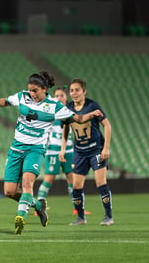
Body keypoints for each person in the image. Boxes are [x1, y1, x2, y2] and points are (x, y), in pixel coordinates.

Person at [0, 71, 103, 235]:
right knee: (9, 192)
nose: (32, 94)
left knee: (27, 185)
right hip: (16, 149)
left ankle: (20, 217)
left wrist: (91, 114)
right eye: (30, 90)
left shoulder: (55, 106)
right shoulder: (22, 96)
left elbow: (77, 119)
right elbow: (6, 101)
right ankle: (39, 205)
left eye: (35, 91)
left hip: (35, 150)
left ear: (44, 89)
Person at [59, 78, 113, 226]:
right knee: (76, 186)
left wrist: (106, 148)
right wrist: (63, 148)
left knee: (101, 182)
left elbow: (107, 126)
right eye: (71, 90)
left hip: (96, 149)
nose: (74, 93)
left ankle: (108, 216)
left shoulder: (92, 105)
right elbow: (66, 128)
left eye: (77, 90)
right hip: (79, 152)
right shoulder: (68, 108)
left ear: (84, 91)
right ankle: (81, 218)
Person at [36, 87, 91, 216]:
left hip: (69, 150)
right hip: (53, 151)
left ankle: (77, 208)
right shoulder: (50, 110)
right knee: (48, 179)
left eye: (61, 95)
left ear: (66, 98)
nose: (59, 98)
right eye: (57, 95)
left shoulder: (70, 111)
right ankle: (39, 207)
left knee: (72, 179)